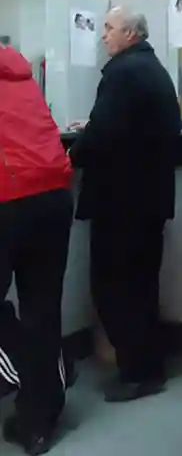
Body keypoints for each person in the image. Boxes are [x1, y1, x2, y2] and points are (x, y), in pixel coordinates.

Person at [69, 7, 181, 403]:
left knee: (114, 288)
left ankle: (136, 373)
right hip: (148, 200)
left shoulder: (123, 73)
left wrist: (72, 154)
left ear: (131, 33)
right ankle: (149, 366)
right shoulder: (153, 69)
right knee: (141, 287)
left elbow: (105, 135)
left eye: (109, 28)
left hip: (120, 203)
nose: (103, 35)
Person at [0, 44, 74, 455]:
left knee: (34, 316)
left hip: (7, 198)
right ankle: (38, 422)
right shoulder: (19, 74)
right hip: (53, 197)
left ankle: (30, 369)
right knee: (42, 308)